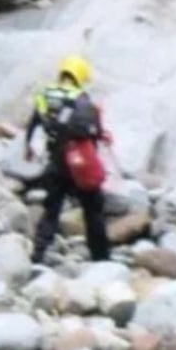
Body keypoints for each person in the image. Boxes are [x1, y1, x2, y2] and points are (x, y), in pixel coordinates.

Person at [24, 54, 111, 264]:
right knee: (93, 210)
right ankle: (101, 257)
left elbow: (33, 124)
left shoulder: (45, 94)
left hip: (56, 160)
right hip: (79, 162)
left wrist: (28, 148)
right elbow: (90, 132)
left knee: (51, 209)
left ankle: (38, 253)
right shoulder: (81, 98)